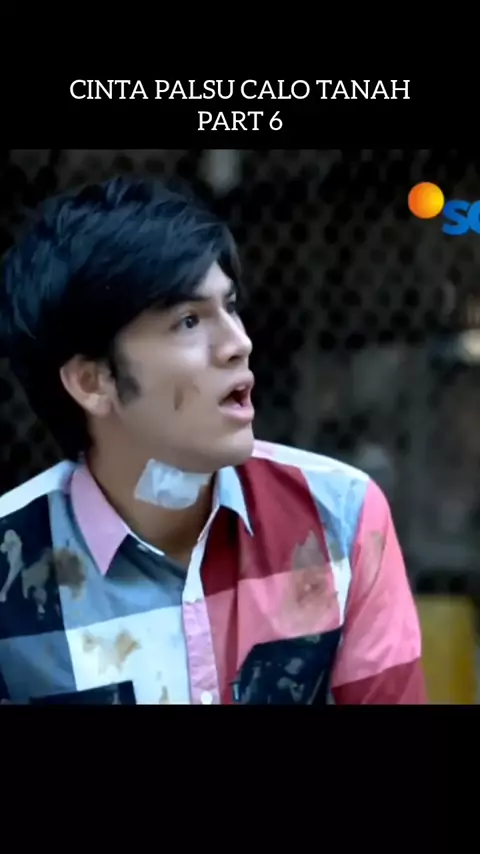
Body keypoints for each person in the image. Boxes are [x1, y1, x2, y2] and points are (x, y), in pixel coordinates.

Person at [0, 177, 426, 705]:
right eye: (187, 321)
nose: (238, 343)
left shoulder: (340, 516)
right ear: (93, 381)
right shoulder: (11, 568)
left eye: (231, 307)